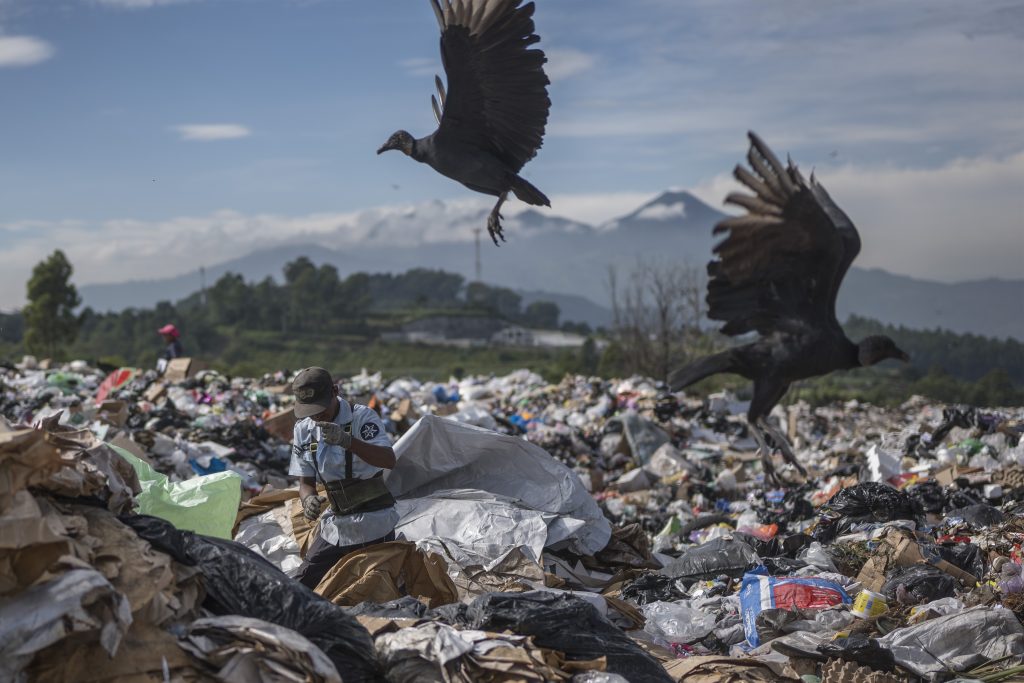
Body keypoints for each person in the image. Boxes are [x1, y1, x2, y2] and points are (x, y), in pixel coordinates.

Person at [288, 367, 398, 589]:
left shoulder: (362, 417)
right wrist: (307, 499)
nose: (317, 415)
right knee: (303, 583)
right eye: (310, 410)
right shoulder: (304, 429)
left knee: (377, 588)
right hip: (337, 524)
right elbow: (305, 483)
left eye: (321, 408)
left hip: (374, 521)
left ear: (335, 391)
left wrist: (348, 441)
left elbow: (388, 459)